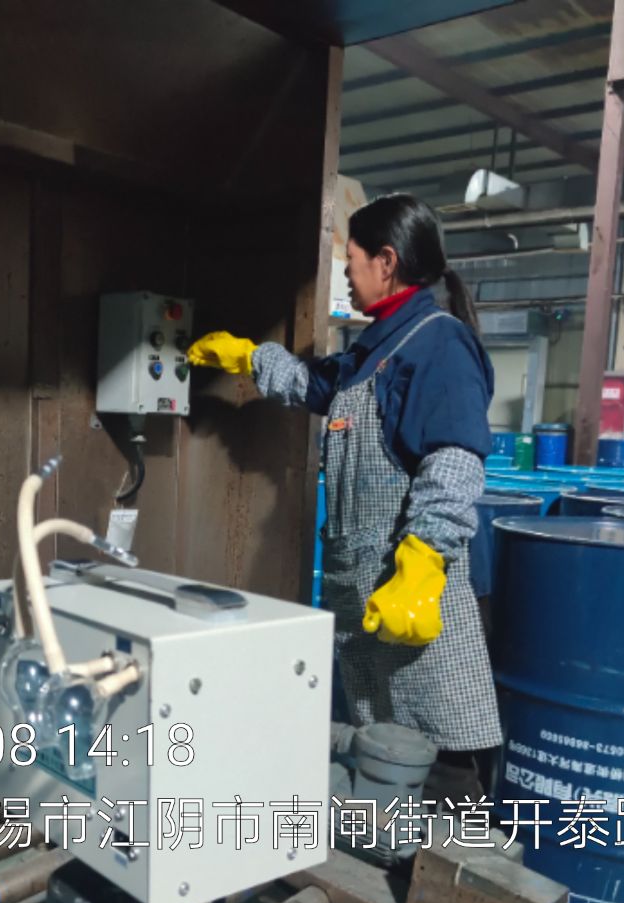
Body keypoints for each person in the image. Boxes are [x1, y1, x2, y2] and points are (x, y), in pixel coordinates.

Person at [187, 193, 500, 798]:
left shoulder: (440, 343)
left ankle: (454, 856)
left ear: (386, 261)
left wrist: (423, 561)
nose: (347, 274)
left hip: (415, 591)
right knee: (381, 755)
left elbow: (455, 458)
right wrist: (251, 358)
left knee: (439, 762)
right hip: (365, 590)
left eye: (350, 259)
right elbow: (316, 385)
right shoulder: (378, 346)